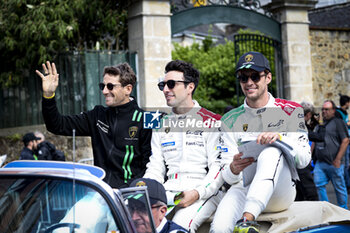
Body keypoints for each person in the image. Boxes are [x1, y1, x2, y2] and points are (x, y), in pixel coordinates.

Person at [210, 51, 311, 233]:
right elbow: (227, 175)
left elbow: (304, 160)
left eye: (255, 76)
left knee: (271, 151)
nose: (249, 83)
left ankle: (247, 220)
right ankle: (244, 220)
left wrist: (280, 138)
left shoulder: (291, 110)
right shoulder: (229, 119)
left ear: (268, 78)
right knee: (218, 228)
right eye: (243, 78)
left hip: (280, 192)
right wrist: (233, 168)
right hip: (244, 187)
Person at [36, 61, 152, 188]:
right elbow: (56, 125)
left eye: (110, 86)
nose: (104, 91)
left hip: (130, 194)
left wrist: (130, 192)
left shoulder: (145, 120)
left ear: (128, 89)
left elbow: (149, 166)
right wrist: (48, 95)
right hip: (101, 193)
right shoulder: (97, 115)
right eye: (102, 86)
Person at [143, 60, 225, 232]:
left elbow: (218, 168)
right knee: (139, 223)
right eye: (163, 85)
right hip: (170, 191)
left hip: (204, 191)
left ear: (190, 87)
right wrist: (149, 192)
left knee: (178, 227)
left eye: (171, 84)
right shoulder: (160, 124)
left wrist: (196, 193)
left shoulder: (211, 121)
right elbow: (155, 167)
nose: (166, 89)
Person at [313, 100, 349, 209]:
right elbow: (315, 140)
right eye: (323, 109)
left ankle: (343, 210)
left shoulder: (338, 122)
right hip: (320, 162)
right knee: (318, 185)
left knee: (339, 187)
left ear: (333, 110)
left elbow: (346, 140)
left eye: (327, 109)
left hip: (334, 162)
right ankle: (326, 210)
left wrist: (338, 159)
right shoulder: (320, 124)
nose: (324, 112)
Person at [294, 101, 319, 201]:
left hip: (293, 164)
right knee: (311, 195)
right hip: (302, 164)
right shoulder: (301, 125)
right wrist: (319, 124)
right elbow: (320, 137)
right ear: (308, 115)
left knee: (297, 195)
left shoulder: (292, 122)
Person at [334, 94, 350, 188]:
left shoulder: (345, 112)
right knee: (344, 164)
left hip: (347, 140)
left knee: (346, 163)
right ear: (346, 103)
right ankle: (345, 184)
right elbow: (340, 126)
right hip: (342, 142)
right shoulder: (338, 113)